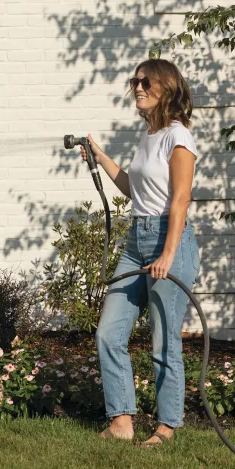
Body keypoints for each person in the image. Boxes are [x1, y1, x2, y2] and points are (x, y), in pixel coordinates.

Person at [80, 59, 200, 446]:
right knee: (108, 333)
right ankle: (122, 422)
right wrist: (99, 155)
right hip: (137, 242)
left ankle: (165, 428)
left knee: (164, 342)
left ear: (165, 86)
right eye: (134, 81)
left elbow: (180, 200)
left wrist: (167, 253)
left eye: (145, 81)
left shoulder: (178, 137)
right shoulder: (150, 135)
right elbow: (135, 190)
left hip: (171, 241)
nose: (137, 87)